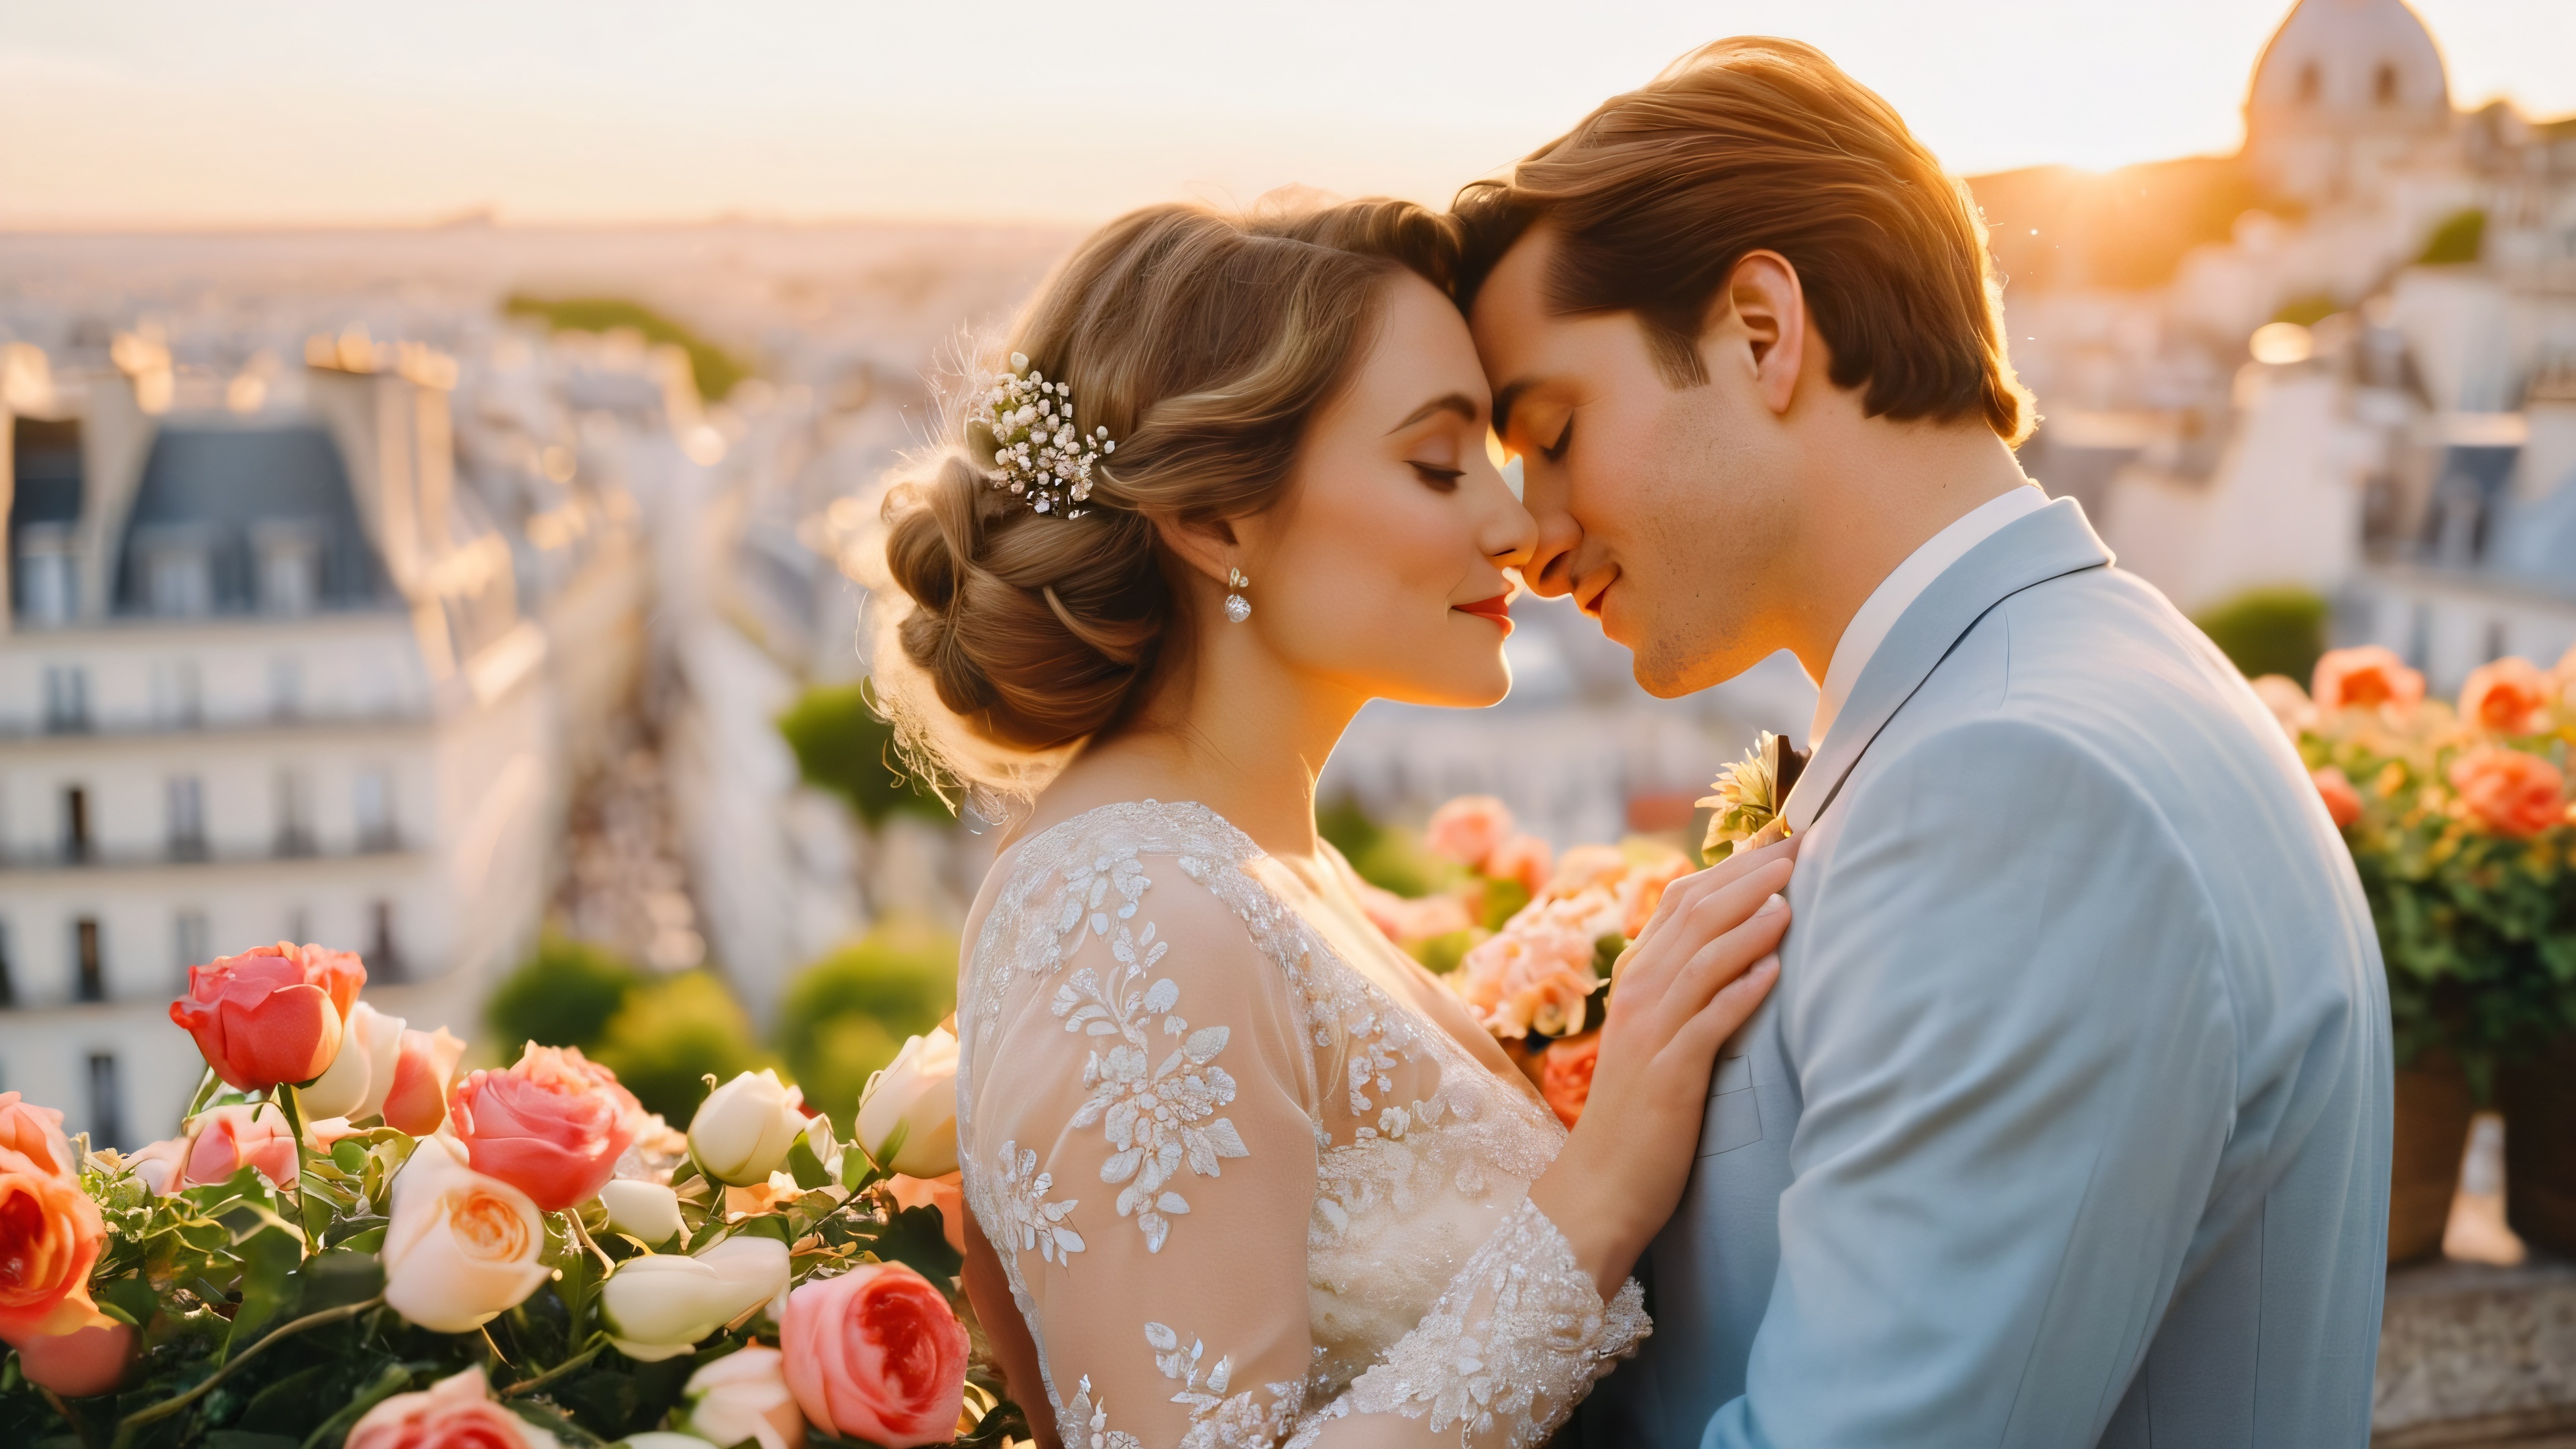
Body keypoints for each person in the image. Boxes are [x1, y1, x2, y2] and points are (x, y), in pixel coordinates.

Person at [1455, 38, 2392, 1448]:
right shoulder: (2078, 679)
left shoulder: (2018, 785)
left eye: (1555, 432)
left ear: (1762, 330)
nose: (1530, 535)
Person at [868, 200, 1797, 1449]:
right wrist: (1602, 1190)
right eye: (1437, 464)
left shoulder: (1260, 870)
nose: (1516, 529)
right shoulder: (1138, 909)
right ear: (1212, 522)